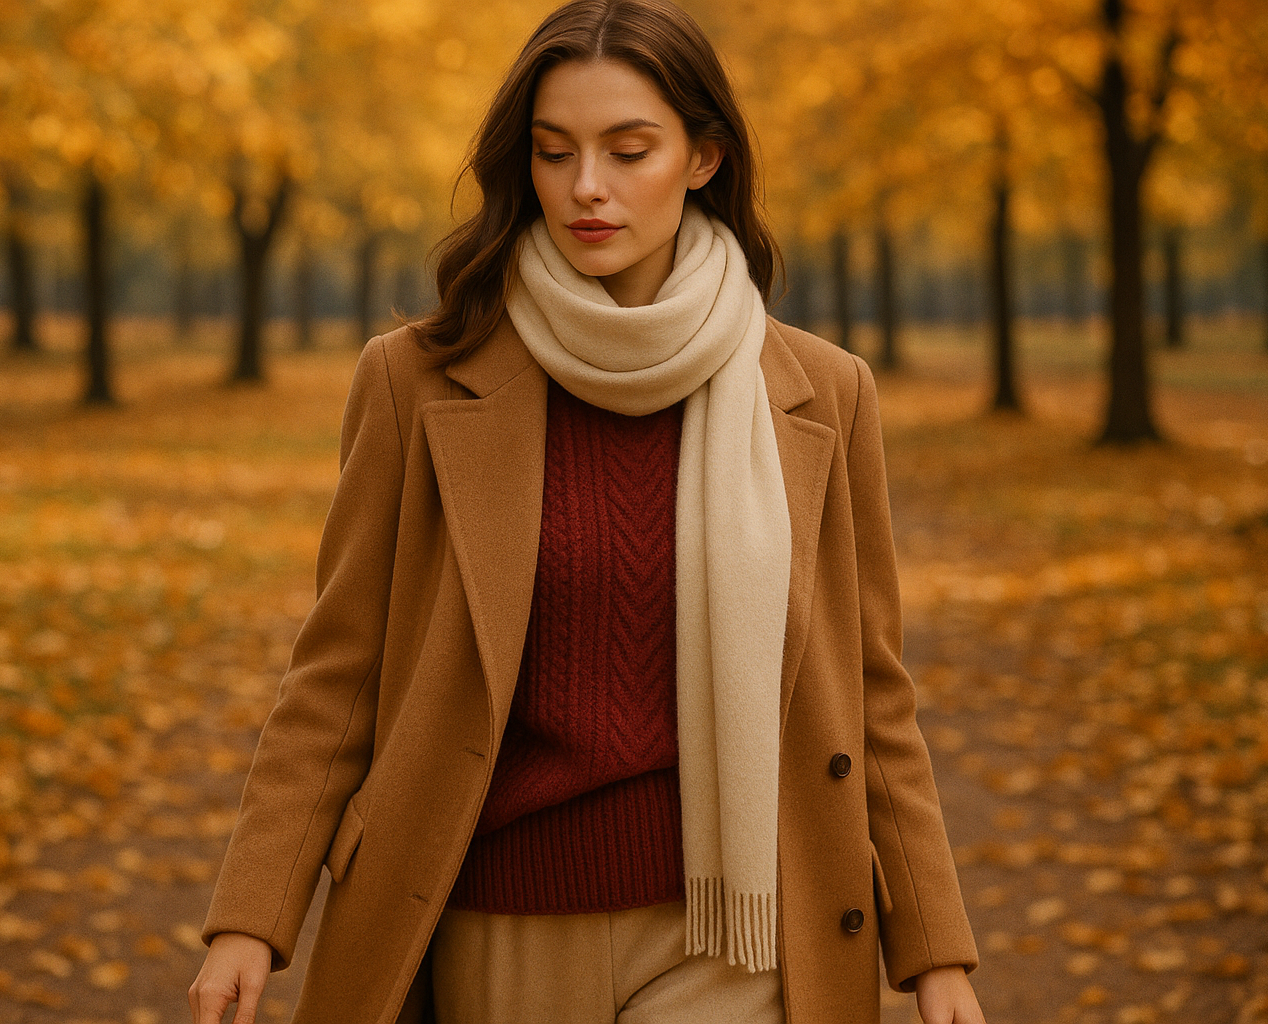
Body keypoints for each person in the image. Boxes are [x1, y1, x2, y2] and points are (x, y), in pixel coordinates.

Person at [188, 2, 984, 1022]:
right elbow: (337, 675)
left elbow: (870, 691)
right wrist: (252, 914)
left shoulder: (823, 394)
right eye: (554, 152)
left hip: (734, 933)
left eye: (629, 148)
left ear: (704, 156)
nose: (587, 187)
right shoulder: (415, 384)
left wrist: (935, 947)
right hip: (496, 918)